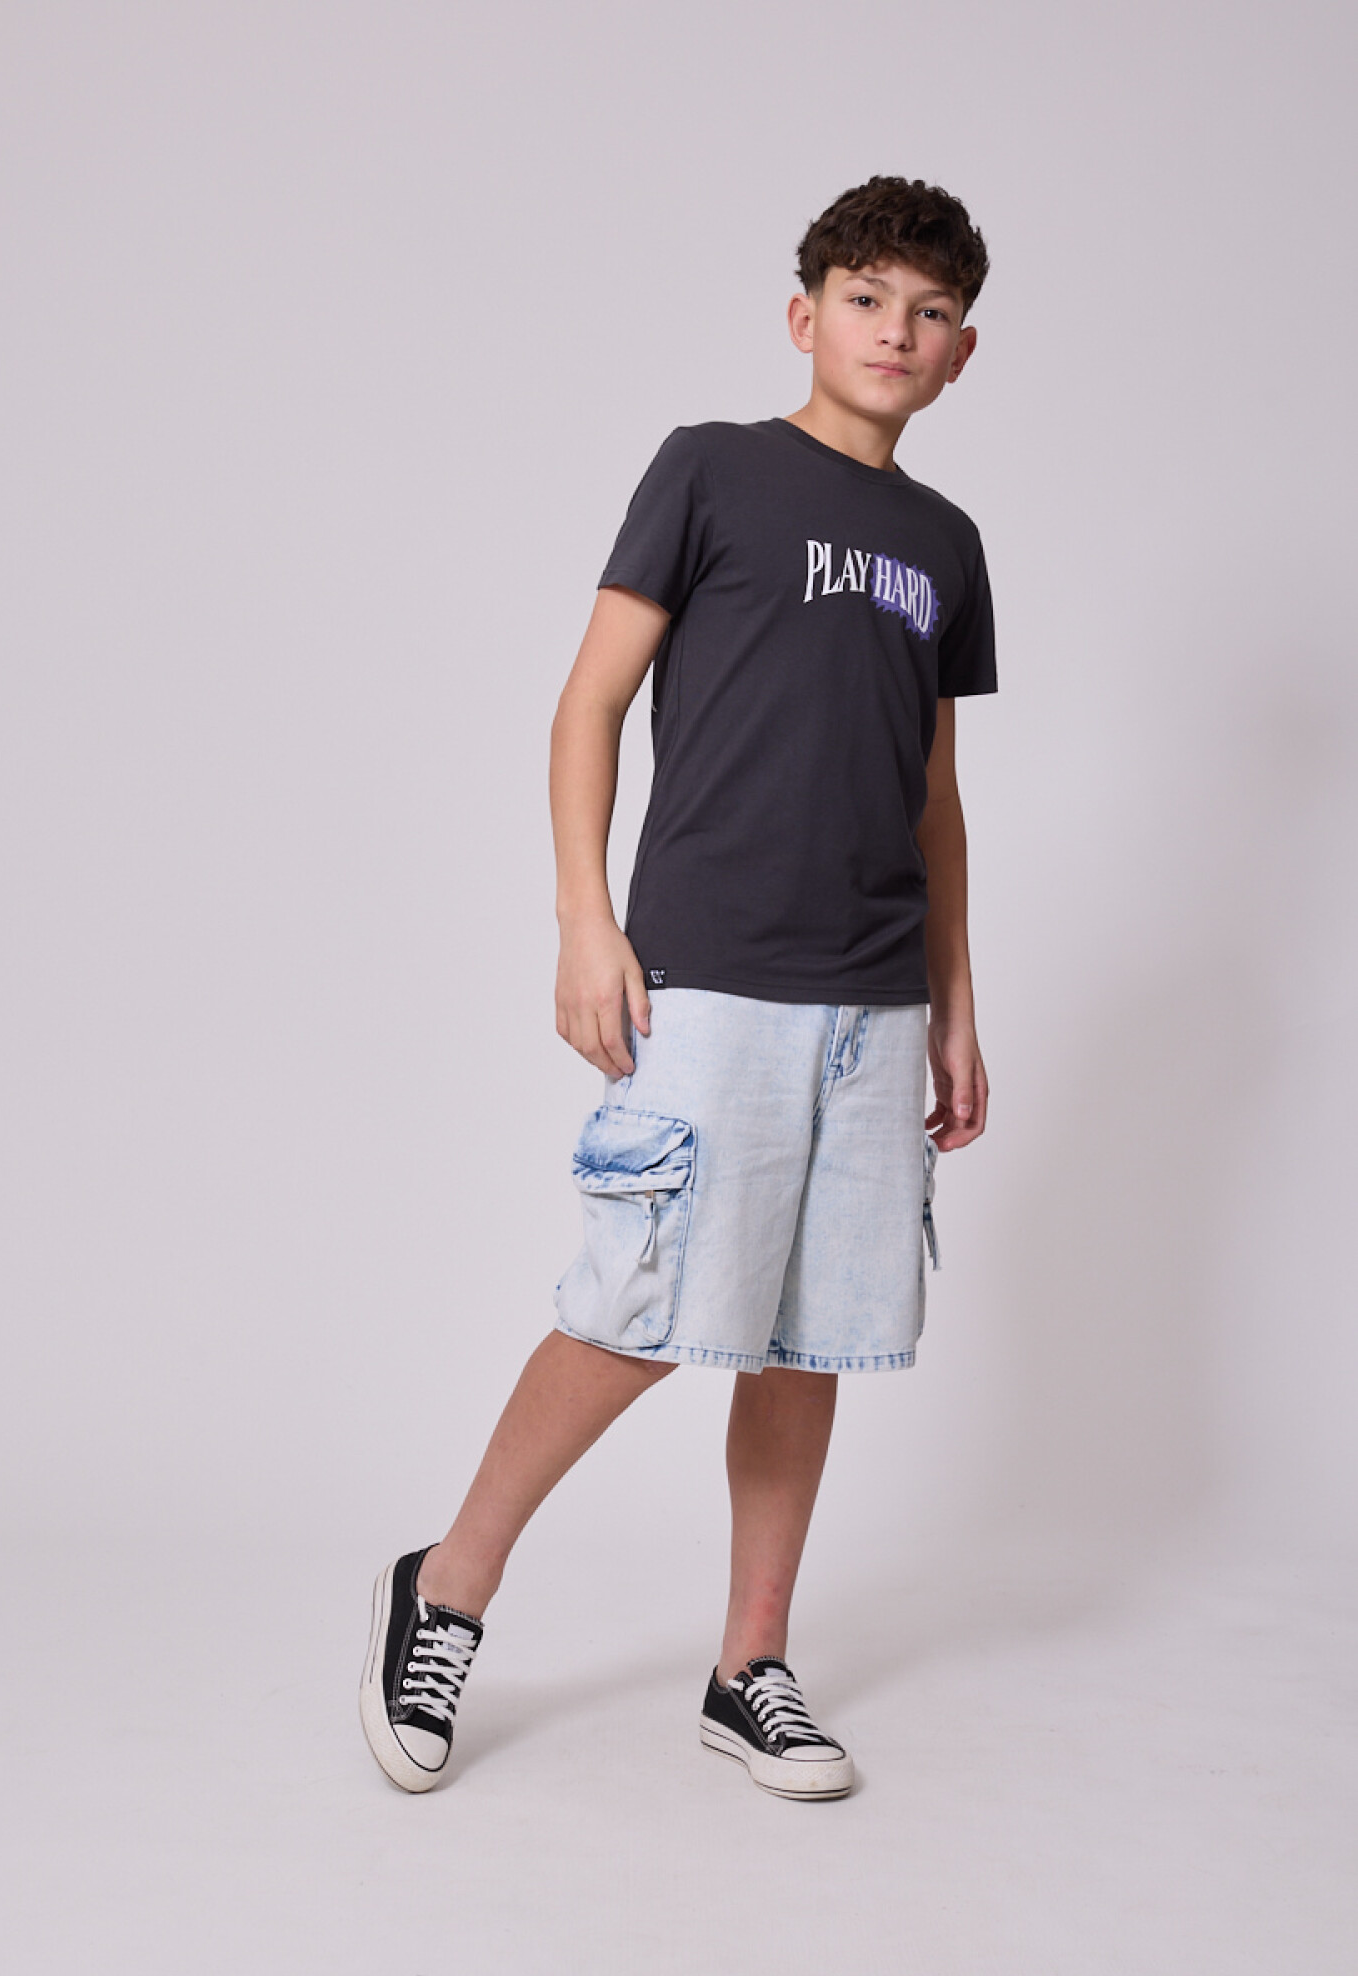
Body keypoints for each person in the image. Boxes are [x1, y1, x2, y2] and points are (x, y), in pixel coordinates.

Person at [360, 176, 997, 1800]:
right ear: (806, 316)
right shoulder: (711, 469)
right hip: (712, 977)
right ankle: (445, 1589)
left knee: (810, 1339)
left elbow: (934, 795)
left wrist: (956, 1005)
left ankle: (748, 1666)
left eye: (927, 313)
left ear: (961, 353)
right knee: (636, 1311)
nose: (894, 331)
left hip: (874, 1004)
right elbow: (589, 703)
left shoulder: (946, 546)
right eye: (866, 299)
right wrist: (587, 921)